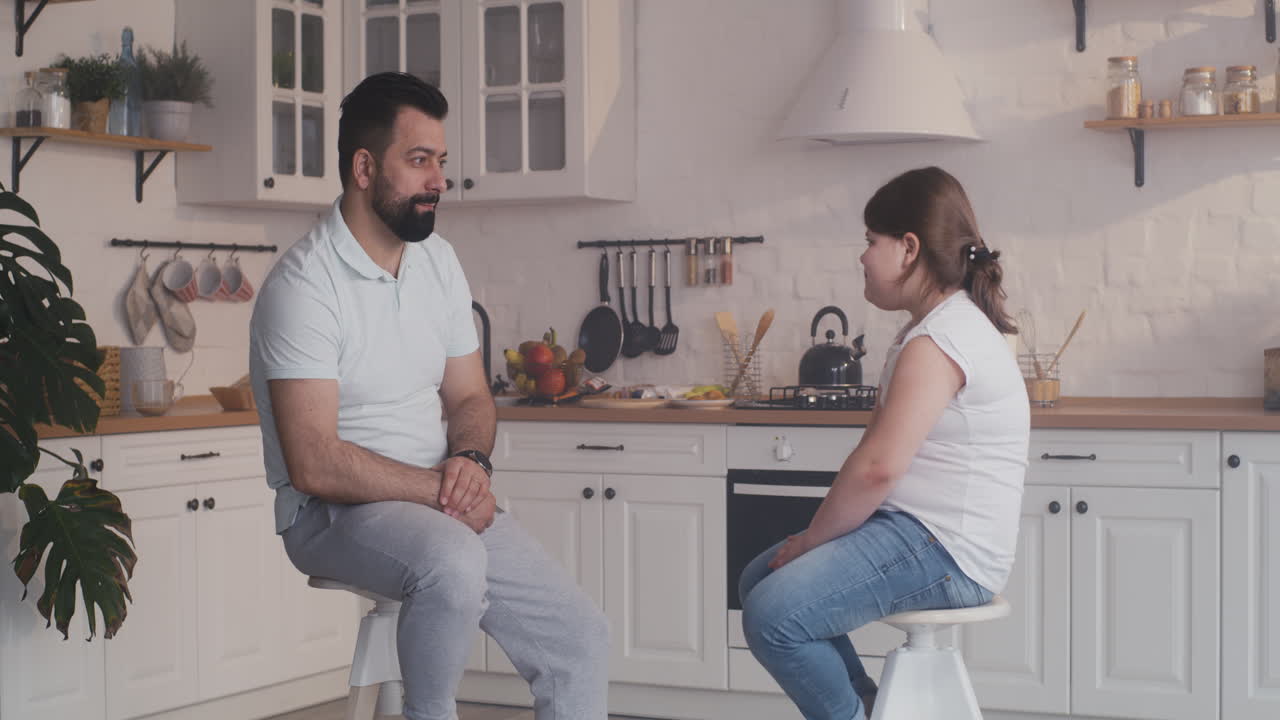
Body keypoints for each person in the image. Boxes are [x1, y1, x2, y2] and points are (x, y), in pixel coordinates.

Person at [248, 72, 609, 720]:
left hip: (444, 499)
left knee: (578, 638)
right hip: (329, 514)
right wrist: (443, 489)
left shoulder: (437, 262)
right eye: (419, 161)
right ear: (364, 167)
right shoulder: (304, 286)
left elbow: (470, 397)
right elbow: (315, 462)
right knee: (454, 561)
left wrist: (471, 464)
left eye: (440, 162)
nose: (438, 180)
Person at [738, 166, 1030, 720]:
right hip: (919, 532)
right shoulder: (931, 329)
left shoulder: (940, 340)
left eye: (872, 241)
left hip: (948, 552)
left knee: (773, 613)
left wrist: (811, 541)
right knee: (761, 578)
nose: (863, 256)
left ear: (909, 248)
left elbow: (877, 468)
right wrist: (812, 540)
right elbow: (877, 461)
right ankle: (871, 709)